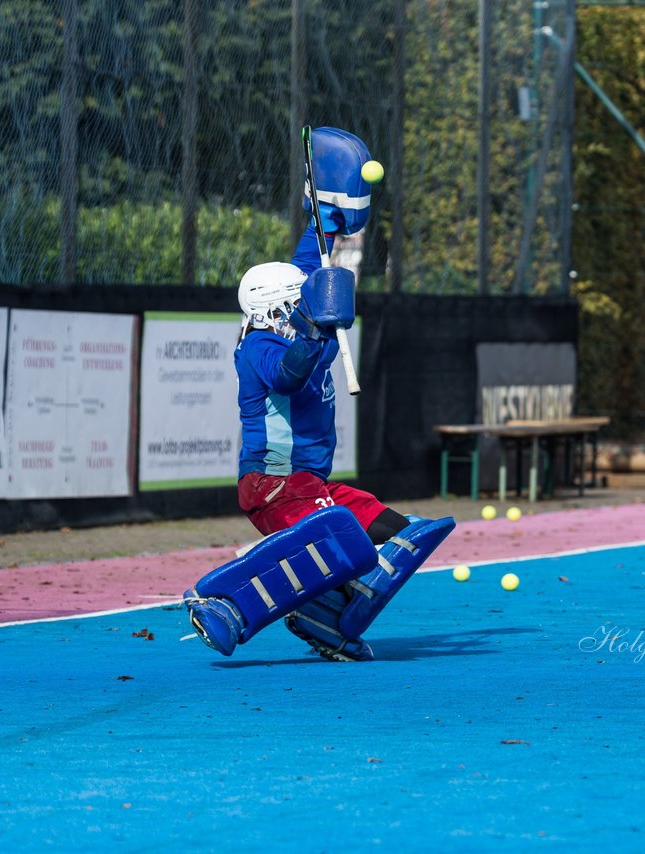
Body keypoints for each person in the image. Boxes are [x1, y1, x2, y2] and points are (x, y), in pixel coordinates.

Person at [184, 129, 455, 662]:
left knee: (400, 534)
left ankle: (325, 615)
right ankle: (223, 603)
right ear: (278, 310)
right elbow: (287, 375)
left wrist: (327, 210)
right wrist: (316, 332)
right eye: (300, 301)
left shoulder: (291, 305)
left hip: (310, 481)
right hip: (274, 484)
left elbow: (315, 255)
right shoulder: (259, 347)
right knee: (341, 539)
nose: (310, 299)